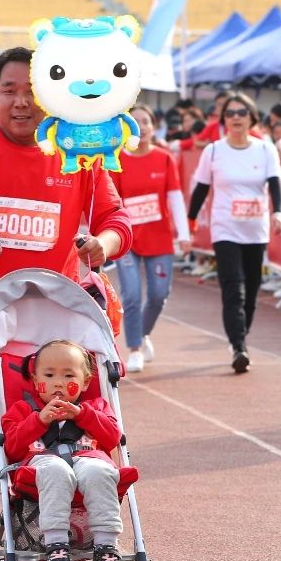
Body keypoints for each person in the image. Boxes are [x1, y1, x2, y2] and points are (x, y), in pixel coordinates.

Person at [0, 47, 131, 559]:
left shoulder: (77, 156)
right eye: (8, 90)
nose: (19, 102)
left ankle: (45, 534)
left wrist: (104, 245)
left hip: (56, 334)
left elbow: (117, 222)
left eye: (31, 92)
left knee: (62, 437)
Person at [1, 340, 125, 561]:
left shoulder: (96, 407)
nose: (58, 382)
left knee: (100, 470)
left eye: (68, 375)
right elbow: (12, 449)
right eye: (49, 375)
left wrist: (83, 415)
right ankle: (56, 545)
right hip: (43, 465)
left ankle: (106, 548)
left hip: (87, 460)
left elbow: (112, 438)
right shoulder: (22, 410)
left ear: (85, 382)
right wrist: (38, 421)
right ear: (37, 381)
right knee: (56, 469)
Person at [187, 91, 281, 373]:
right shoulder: (214, 151)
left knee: (252, 290)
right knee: (234, 289)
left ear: (251, 117)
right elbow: (202, 188)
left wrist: (278, 211)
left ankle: (240, 336)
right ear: (224, 119)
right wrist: (190, 222)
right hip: (225, 228)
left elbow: (275, 184)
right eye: (230, 113)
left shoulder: (265, 149)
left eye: (242, 112)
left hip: (256, 231)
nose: (236, 117)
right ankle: (238, 347)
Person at [110, 104, 191, 374]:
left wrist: (184, 234)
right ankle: (134, 348)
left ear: (154, 127)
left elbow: (175, 197)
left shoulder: (165, 158)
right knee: (131, 294)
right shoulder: (117, 161)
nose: (142, 127)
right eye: (136, 122)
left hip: (159, 238)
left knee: (158, 294)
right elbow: (112, 204)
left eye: (146, 121)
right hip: (128, 240)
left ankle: (142, 334)